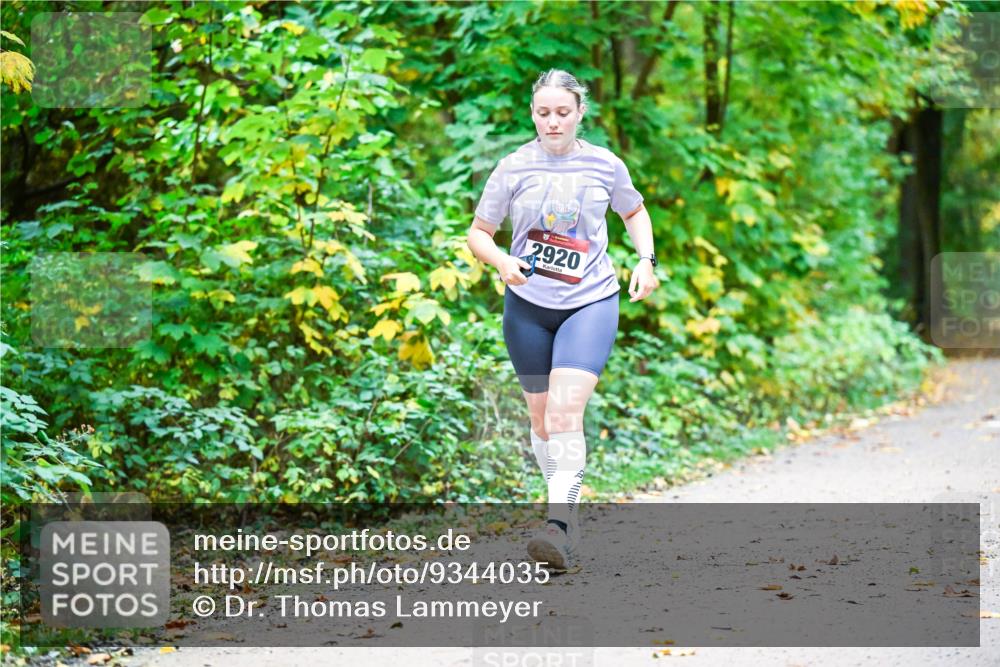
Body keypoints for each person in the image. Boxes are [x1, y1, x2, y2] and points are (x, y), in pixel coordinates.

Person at [466, 68, 658, 570]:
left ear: (579, 113)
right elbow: (479, 233)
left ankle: (558, 526)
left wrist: (645, 260)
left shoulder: (605, 164)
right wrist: (502, 261)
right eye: (544, 113)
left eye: (563, 113)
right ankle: (564, 511)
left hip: (589, 301)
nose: (553, 122)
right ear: (533, 114)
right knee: (540, 418)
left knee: (564, 411)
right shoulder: (512, 167)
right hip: (527, 307)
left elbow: (634, 212)